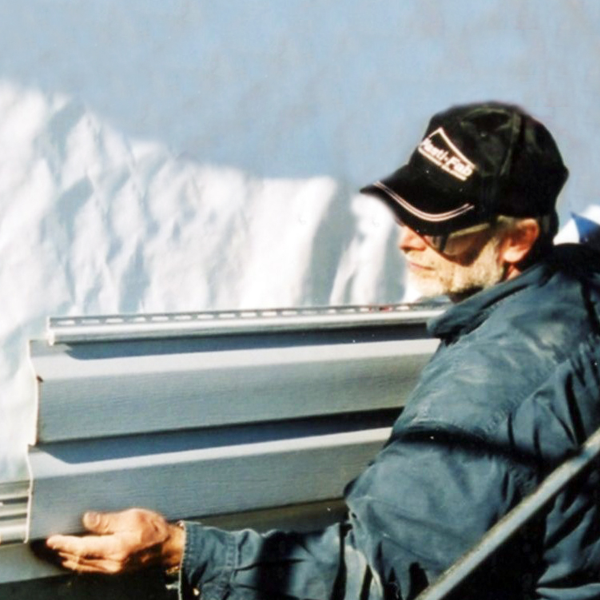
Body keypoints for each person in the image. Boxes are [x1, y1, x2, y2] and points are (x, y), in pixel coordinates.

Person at [45, 103, 600, 600]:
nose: (407, 237)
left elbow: (373, 577)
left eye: (439, 227)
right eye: (410, 210)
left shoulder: (488, 394)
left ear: (518, 240)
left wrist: (178, 550)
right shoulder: (577, 288)